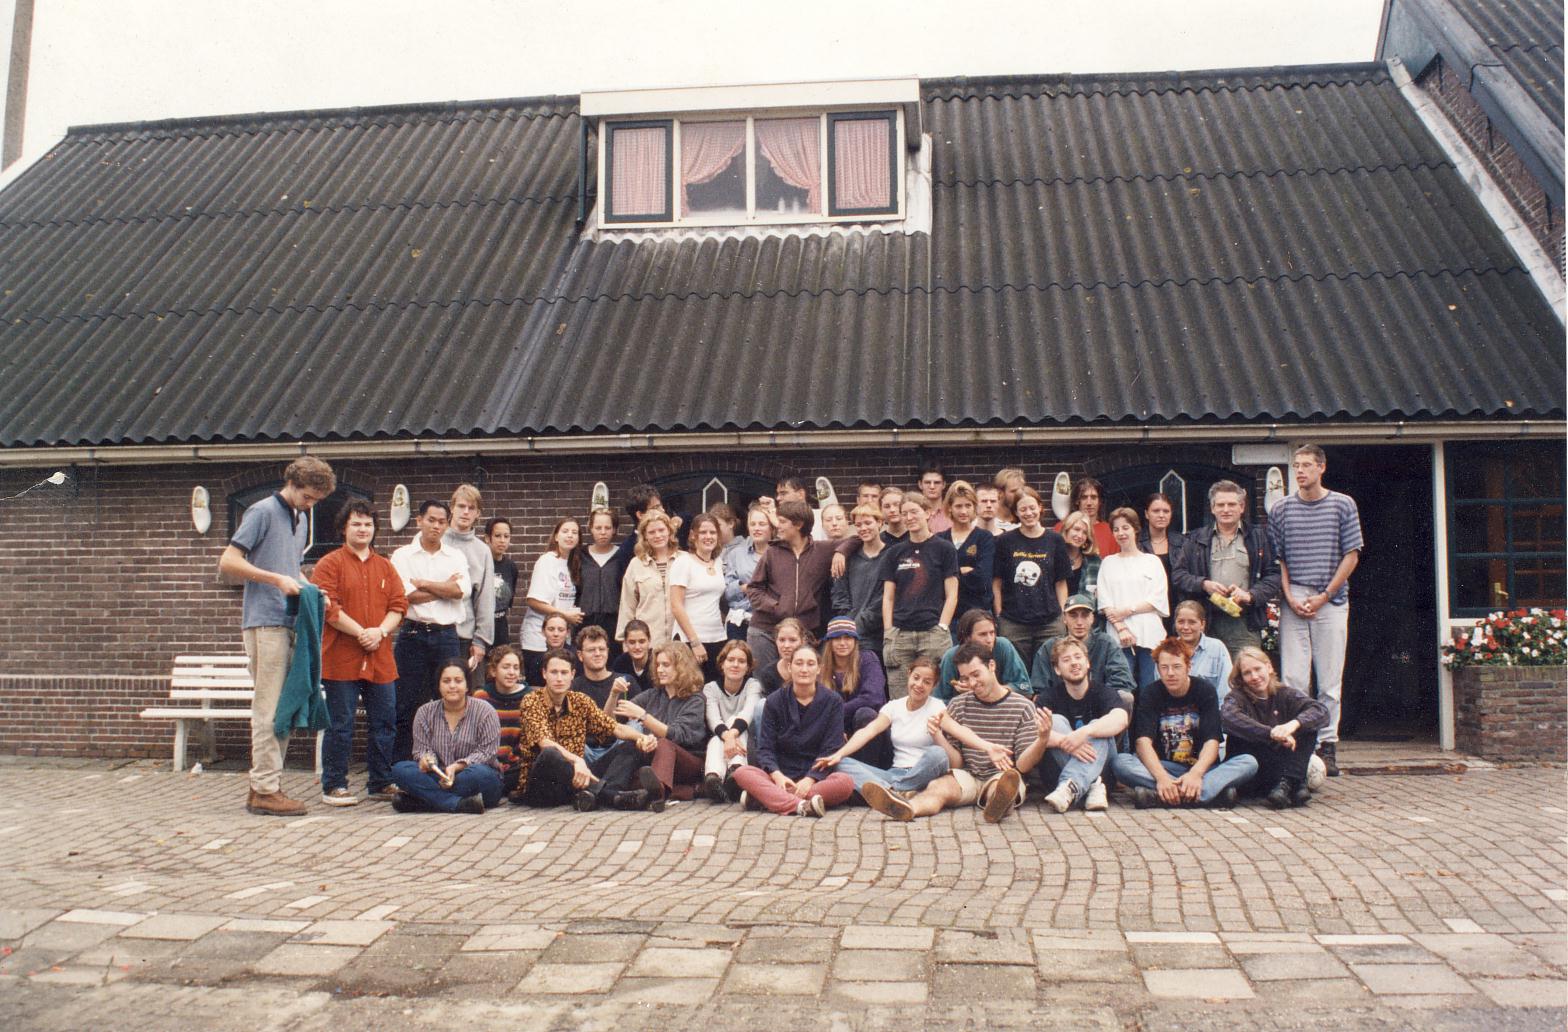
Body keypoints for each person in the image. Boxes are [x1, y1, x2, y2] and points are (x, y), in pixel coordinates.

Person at [219, 455, 337, 816]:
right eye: (309, 497)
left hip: (287, 622)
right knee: (268, 708)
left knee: (283, 708)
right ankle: (264, 789)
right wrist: (276, 580)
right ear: (294, 484)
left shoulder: (299, 519)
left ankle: (268, 785)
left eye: (317, 500)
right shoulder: (262, 512)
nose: (312, 505)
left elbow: (289, 570)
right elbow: (228, 563)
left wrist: (311, 589)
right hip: (264, 622)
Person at [862, 642, 1048, 823]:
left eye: (976, 674)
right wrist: (937, 736)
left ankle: (999, 805)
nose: (972, 683)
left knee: (1001, 788)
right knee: (937, 787)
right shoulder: (958, 705)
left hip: (1003, 774)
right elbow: (957, 762)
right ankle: (908, 808)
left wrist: (1042, 739)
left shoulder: (1022, 706)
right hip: (967, 775)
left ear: (991, 666)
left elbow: (1023, 766)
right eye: (965, 678)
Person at [1269, 444, 1363, 778]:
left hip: (1331, 601)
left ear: (1321, 468)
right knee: (1293, 677)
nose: (1300, 472)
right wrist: (1289, 595)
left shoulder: (1342, 505)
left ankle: (1328, 743)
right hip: (1293, 600)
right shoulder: (1280, 510)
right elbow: (1277, 560)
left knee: (1329, 679)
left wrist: (1324, 595)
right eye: (1296, 466)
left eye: (1306, 465)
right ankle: (1298, 739)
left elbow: (1351, 555)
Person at [310, 500, 407, 806]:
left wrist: (379, 632)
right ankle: (334, 785)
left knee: (385, 721)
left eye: (367, 524)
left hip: (380, 656)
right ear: (344, 528)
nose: (363, 529)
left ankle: (380, 781)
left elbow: (399, 605)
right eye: (356, 524)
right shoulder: (329, 564)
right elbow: (328, 608)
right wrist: (361, 632)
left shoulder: (385, 566)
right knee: (341, 723)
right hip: (342, 658)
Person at [1110, 638, 1259, 808]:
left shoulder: (1205, 690)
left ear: (1189, 667)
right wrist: (1162, 778)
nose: (1170, 673)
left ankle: (1160, 797)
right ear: (1158, 669)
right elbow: (1142, 743)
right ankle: (1206, 795)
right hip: (1164, 767)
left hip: (1203, 768)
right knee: (1120, 762)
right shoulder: (1150, 693)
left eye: (1177, 667)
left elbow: (1212, 742)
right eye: (1164, 668)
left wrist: (1195, 775)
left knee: (1248, 762)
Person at [513, 648, 663, 811]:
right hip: (542, 786)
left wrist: (642, 739)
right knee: (550, 754)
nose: (559, 678)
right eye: (554, 672)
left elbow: (615, 728)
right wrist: (577, 761)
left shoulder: (580, 701)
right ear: (544, 674)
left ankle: (594, 796)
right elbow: (545, 743)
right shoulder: (531, 701)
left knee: (630, 744)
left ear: (572, 675)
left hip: (578, 779)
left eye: (564, 673)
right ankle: (613, 797)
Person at [388, 500, 470, 769]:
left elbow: (461, 591)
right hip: (412, 636)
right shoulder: (402, 556)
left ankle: (447, 764)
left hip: (446, 636)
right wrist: (443, 587)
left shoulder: (456, 556)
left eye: (441, 521)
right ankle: (403, 768)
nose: (436, 526)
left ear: (447, 524)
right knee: (406, 702)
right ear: (419, 520)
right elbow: (403, 596)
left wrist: (423, 583)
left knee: (451, 699)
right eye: (431, 520)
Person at [730, 645, 854, 816]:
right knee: (742, 772)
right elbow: (765, 748)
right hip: (780, 776)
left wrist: (810, 779)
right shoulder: (774, 701)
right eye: (799, 663)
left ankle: (768, 798)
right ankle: (801, 806)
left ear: (819, 669)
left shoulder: (833, 701)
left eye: (810, 664)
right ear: (789, 667)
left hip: (816, 777)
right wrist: (778, 776)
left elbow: (831, 749)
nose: (804, 669)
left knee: (844, 782)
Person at [1171, 479, 1280, 658]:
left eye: (1231, 504)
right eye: (1220, 505)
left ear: (1242, 507)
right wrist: (1203, 584)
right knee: (1205, 676)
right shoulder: (1195, 539)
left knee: (1246, 675)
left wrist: (1250, 595)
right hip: (1206, 621)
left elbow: (1273, 575)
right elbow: (1178, 575)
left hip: (1244, 622)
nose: (1226, 509)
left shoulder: (1259, 537)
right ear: (1212, 508)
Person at [814, 655, 950, 798]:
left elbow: (951, 746)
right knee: (841, 763)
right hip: (893, 774)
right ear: (909, 674)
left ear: (934, 685)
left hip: (922, 773)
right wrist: (839, 754)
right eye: (916, 677)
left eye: (927, 682)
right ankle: (894, 791)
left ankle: (889, 792)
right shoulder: (893, 706)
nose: (919, 684)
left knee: (938, 754)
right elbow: (869, 730)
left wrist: (939, 736)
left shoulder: (937, 707)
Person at [390, 660, 503, 814]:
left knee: (480, 774)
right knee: (400, 770)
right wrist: (427, 760)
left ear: (467, 685)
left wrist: (457, 767)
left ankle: (422, 801)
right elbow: (421, 750)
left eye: (458, 681)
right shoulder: (425, 712)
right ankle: (459, 804)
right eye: (446, 681)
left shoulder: (485, 711)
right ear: (439, 685)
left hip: (473, 778)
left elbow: (487, 753)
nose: (452, 686)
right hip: (439, 776)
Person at [1222, 647, 1328, 808]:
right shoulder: (1236, 697)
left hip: (1278, 768)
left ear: (1269, 667)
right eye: (1247, 673)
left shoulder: (1285, 693)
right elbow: (1228, 718)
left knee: (1307, 727)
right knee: (1243, 735)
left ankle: (1286, 785)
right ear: (1241, 678)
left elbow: (1321, 711)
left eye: (1258, 669)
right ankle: (1295, 784)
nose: (1254, 676)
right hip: (1251, 769)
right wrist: (1271, 733)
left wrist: (1292, 725)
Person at [1036, 637, 1128, 813]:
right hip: (1060, 775)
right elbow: (1032, 731)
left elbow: (1121, 718)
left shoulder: (1103, 692)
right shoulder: (1048, 697)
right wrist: (1067, 742)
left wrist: (1086, 731)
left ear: (1087, 663)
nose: (1074, 663)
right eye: (1066, 660)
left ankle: (1070, 787)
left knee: (1099, 726)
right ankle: (1092, 785)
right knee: (1054, 721)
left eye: (1078, 657)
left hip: (1102, 773)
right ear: (1057, 669)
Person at [881, 493, 959, 699]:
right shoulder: (894, 553)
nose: (909, 517)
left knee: (936, 698)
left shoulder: (945, 549)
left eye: (914, 511)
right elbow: (888, 597)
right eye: (904, 513)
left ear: (928, 513)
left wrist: (942, 627)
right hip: (900, 635)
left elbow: (952, 594)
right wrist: (889, 631)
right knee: (899, 698)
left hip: (932, 634)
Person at [612, 642, 710, 804]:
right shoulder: (653, 695)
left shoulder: (695, 699)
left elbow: (677, 735)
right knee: (631, 766)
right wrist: (614, 694)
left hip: (689, 761)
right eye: (658, 665)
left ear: (681, 667)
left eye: (666, 665)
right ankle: (685, 790)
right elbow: (613, 720)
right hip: (659, 761)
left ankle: (659, 794)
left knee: (664, 744)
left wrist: (644, 716)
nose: (659, 670)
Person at [744, 500, 834, 672]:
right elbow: (754, 589)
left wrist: (841, 553)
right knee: (766, 685)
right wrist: (776, 606)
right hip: (765, 630)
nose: (778, 526)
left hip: (803, 633)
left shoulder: (823, 551)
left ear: (799, 524)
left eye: (782, 521)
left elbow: (856, 540)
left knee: (802, 682)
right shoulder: (772, 552)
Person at [992, 487, 1071, 670]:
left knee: (1052, 672)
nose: (1029, 513)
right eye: (1023, 509)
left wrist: (1062, 614)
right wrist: (999, 613)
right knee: (1017, 673)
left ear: (1040, 508)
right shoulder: (1005, 541)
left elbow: (1061, 583)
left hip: (1050, 622)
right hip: (1014, 622)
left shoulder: (1055, 540)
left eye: (1032, 508)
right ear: (1016, 513)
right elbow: (996, 582)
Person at [1096, 508, 1169, 691]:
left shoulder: (1152, 561)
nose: (1121, 533)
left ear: (1135, 529)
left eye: (1125, 528)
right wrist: (1121, 629)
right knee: (1122, 689)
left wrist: (1127, 610)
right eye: (1116, 529)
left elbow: (1156, 599)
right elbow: (1105, 603)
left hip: (1149, 634)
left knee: (1149, 688)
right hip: (1119, 634)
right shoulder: (1108, 563)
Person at [1033, 595, 1138, 704]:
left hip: (1099, 704)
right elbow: (1040, 687)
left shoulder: (1106, 643)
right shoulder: (1049, 647)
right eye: (1073, 616)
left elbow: (1122, 680)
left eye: (1085, 616)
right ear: (1064, 618)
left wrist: (1096, 697)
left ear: (1092, 618)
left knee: (1125, 697)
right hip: (1062, 705)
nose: (1079, 622)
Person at [443, 484, 496, 682]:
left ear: (478, 513)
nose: (465, 512)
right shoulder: (436, 541)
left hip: (463, 637)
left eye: (471, 508)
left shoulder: (482, 551)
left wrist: (480, 640)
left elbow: (485, 599)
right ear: (452, 508)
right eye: (461, 506)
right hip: (433, 630)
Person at [521, 517, 583, 684]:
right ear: (556, 536)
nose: (570, 535)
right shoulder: (547, 561)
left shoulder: (571, 564)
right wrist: (565, 616)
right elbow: (533, 601)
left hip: (560, 639)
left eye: (574, 532)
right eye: (565, 531)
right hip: (538, 640)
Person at [701, 641, 764, 802]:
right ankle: (716, 779)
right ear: (722, 664)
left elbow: (747, 713)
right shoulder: (710, 688)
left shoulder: (753, 685)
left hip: (747, 743)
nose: (735, 665)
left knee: (733, 721)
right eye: (730, 660)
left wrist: (730, 736)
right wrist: (729, 737)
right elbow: (713, 719)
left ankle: (724, 773)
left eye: (742, 661)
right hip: (722, 740)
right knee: (716, 738)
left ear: (748, 667)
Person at [670, 514, 729, 682]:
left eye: (713, 532)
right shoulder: (683, 562)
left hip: (717, 637)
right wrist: (695, 642)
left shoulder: (718, 563)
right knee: (689, 688)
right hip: (690, 640)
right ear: (693, 535)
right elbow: (676, 606)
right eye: (703, 532)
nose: (708, 537)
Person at [829, 503, 888, 652]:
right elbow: (839, 595)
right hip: (848, 634)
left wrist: (858, 625)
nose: (863, 528)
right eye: (858, 525)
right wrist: (847, 623)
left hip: (877, 636)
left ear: (880, 522)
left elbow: (883, 600)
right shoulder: (848, 557)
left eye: (868, 523)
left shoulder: (891, 556)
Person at [937, 610, 1031, 701]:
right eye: (983, 634)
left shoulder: (1003, 646)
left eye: (992, 633)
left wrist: (984, 690)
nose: (989, 640)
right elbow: (939, 700)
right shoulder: (951, 657)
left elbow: (1024, 689)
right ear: (967, 637)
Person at [616, 511, 679, 646]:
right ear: (644, 536)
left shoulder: (684, 560)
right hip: (647, 642)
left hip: (679, 640)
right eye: (652, 532)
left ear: (669, 531)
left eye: (661, 530)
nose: (658, 535)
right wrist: (625, 641)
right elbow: (627, 606)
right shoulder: (636, 564)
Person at [939, 481, 995, 628]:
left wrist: (951, 575)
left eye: (968, 506)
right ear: (949, 508)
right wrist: (965, 570)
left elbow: (983, 578)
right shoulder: (940, 539)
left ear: (974, 507)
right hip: (949, 617)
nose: (963, 511)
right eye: (958, 506)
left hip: (979, 615)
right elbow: (936, 579)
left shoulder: (984, 538)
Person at [473, 645, 528, 796]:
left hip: (517, 768)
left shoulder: (530, 698)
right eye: (506, 667)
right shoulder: (480, 697)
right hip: (487, 766)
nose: (512, 672)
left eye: (516, 668)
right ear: (493, 670)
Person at [821, 618, 889, 736]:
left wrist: (836, 711)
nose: (842, 643)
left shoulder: (868, 659)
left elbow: (873, 699)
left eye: (847, 637)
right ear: (829, 642)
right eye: (837, 638)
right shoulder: (822, 668)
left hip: (869, 729)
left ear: (855, 640)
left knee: (864, 713)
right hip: (838, 728)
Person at [579, 508, 625, 656]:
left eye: (608, 528)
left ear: (614, 530)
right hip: (585, 621)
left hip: (614, 621)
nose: (603, 532)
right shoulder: (580, 556)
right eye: (598, 528)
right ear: (591, 528)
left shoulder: (622, 555)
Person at [722, 504, 771, 643]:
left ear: (771, 527)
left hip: (768, 622)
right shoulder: (736, 554)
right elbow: (727, 592)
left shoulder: (779, 554)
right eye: (753, 524)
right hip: (740, 621)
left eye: (762, 524)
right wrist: (743, 588)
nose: (757, 528)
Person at [1139, 493, 1186, 635]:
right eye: (1156, 511)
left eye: (1166, 511)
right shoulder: (1136, 543)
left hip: (1176, 604)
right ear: (1147, 514)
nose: (1161, 515)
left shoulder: (1183, 542)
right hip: (1148, 608)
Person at [1173, 600, 1233, 703]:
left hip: (1210, 712)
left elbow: (1226, 690)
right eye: (1181, 622)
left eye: (1192, 622)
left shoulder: (1217, 648)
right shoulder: (1167, 650)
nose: (1186, 627)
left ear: (1202, 624)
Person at [1055, 477, 1117, 557]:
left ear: (1100, 501)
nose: (1089, 503)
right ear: (1077, 501)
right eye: (1084, 497)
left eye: (1093, 497)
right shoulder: (1061, 527)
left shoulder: (1110, 531)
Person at [485, 518, 518, 651]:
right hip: (481, 628)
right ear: (487, 538)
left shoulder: (511, 567)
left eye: (506, 536)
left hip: (501, 628)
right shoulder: (481, 564)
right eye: (497, 536)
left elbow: (508, 600)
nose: (502, 540)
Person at [1059, 511, 1101, 601]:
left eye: (1085, 532)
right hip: (1057, 613)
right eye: (1076, 529)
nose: (1080, 536)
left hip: (1084, 612)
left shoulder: (1094, 561)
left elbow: (1093, 597)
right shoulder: (1054, 557)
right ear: (1066, 530)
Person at [610, 619, 655, 696]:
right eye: (632, 642)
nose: (637, 647)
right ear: (625, 643)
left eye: (642, 641)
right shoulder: (620, 663)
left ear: (649, 641)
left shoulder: (657, 663)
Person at [918, 463, 951, 533]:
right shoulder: (913, 514)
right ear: (920, 484)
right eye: (927, 482)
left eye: (937, 482)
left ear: (944, 485)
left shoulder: (951, 514)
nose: (932, 487)